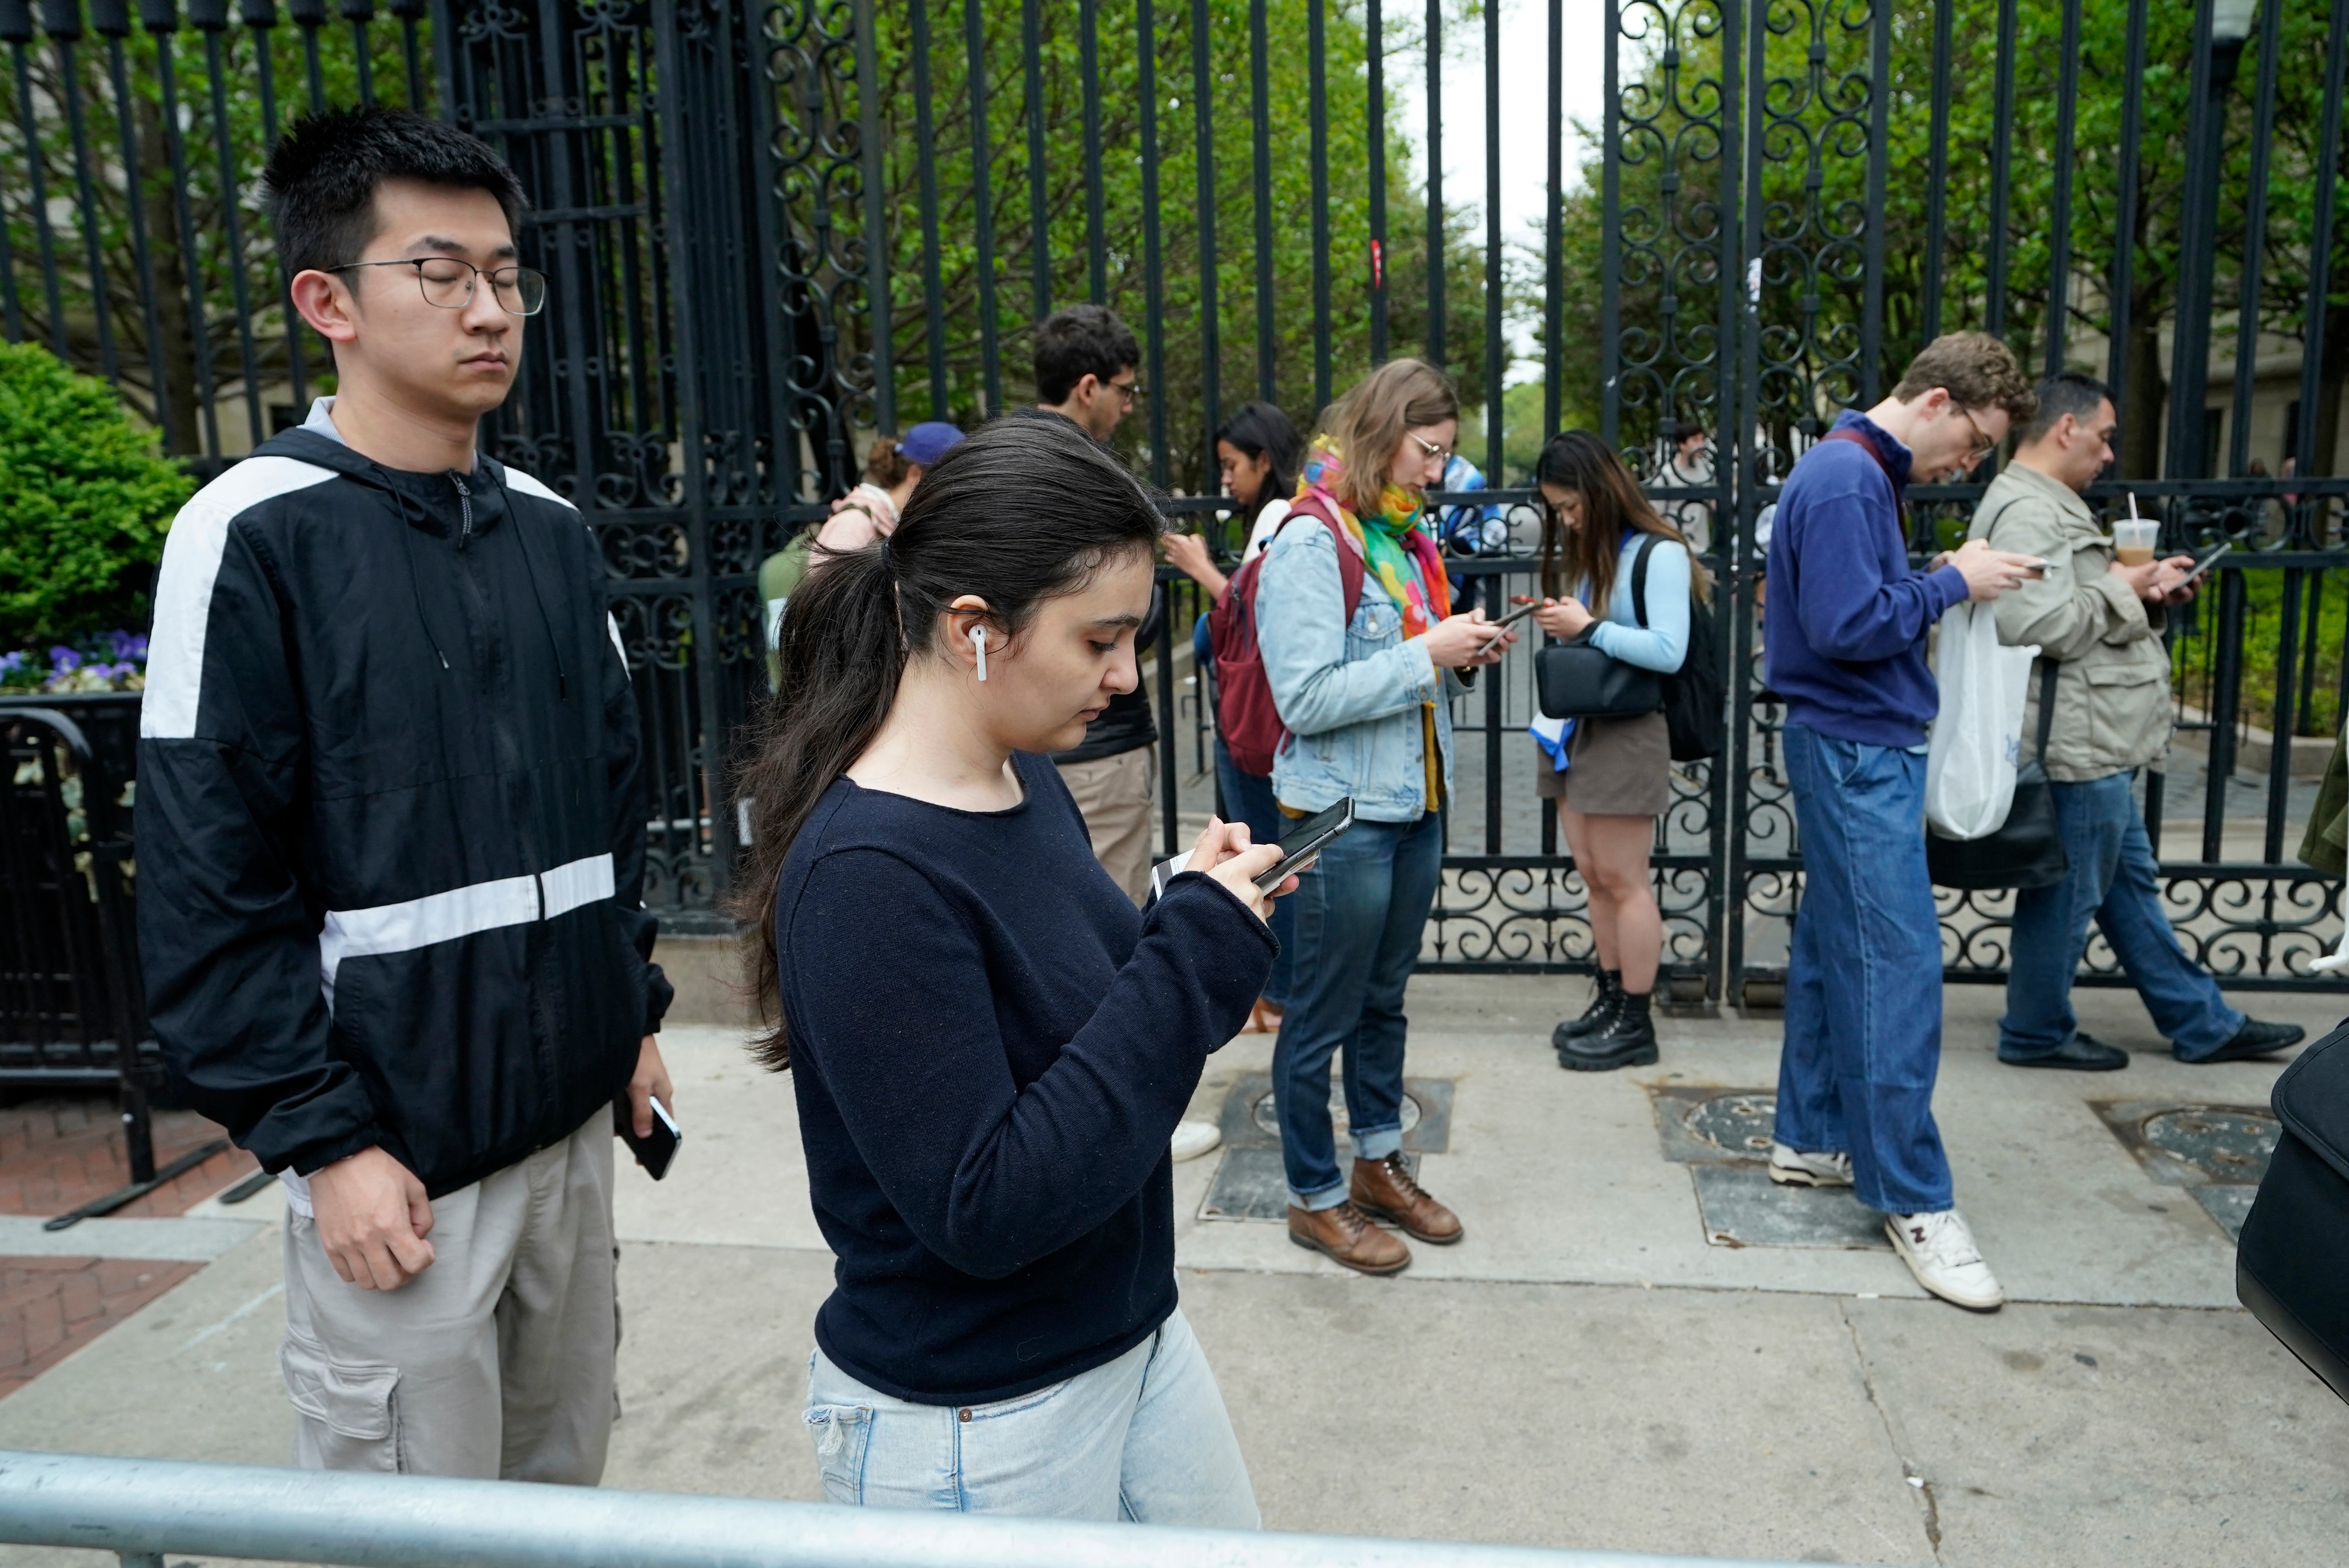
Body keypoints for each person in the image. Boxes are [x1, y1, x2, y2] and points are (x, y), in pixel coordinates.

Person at [136, 107, 673, 1480]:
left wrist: (633, 1017)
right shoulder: (251, 534)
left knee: (563, 1498)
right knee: (413, 1531)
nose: (491, 309)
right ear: (329, 301)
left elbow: (609, 814)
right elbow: (209, 884)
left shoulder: (552, 534)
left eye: (507, 275)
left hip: (567, 1144)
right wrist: (325, 1145)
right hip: (403, 1180)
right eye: (442, 274)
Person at [733, 414, 1283, 1523]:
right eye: (1099, 640)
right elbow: (986, 1200)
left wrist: (1192, 907)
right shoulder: (869, 872)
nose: (1127, 677)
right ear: (974, 627)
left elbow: (1082, 1024)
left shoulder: (1020, 776)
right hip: (975, 1418)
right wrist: (1188, 957)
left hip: (1125, 1337)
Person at [1762, 331, 2043, 1313]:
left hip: (1849, 745)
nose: (1971, 463)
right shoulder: (1847, 478)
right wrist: (1951, 581)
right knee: (1895, 966)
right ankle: (1914, 1199)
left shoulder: (1850, 472)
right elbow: (1850, 628)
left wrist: (1934, 578)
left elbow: (1853, 611)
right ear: (1934, 400)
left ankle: (1809, 1135)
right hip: (1854, 749)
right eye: (1975, 439)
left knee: (1840, 947)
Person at [1254, 358, 1517, 1274]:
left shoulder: (1396, 537)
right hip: (1338, 813)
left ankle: (1376, 1166)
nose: (1439, 472)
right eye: (1430, 450)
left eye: (1446, 454)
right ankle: (1313, 1198)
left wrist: (1460, 651)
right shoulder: (1308, 539)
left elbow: (1408, 660)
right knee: (1319, 1013)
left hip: (1412, 802)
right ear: (1382, 432)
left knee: (1383, 1001)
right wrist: (1423, 654)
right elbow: (1304, 696)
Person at [1969, 373, 2305, 1070]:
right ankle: (2034, 1033)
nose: (2110, 454)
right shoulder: (2030, 512)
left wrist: (2148, 593)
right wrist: (2124, 588)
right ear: (2067, 429)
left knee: (2125, 891)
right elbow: (2031, 624)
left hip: (2095, 737)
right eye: (2105, 435)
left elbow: (2074, 609)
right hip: (2076, 744)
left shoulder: (2048, 506)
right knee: (2066, 896)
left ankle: (2201, 1022)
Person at [1523, 431, 1706, 1072]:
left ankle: (1636, 1019)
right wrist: (1564, 620)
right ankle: (1609, 995)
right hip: (1574, 726)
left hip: (1627, 728)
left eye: (1571, 507)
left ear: (1601, 493)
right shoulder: (1594, 553)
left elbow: (1668, 650)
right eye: (1559, 510)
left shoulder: (1659, 553)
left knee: (1626, 881)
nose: (1567, 520)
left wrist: (1588, 627)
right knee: (1595, 875)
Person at [1166, 400, 1305, 1038]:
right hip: (1255, 713)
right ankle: (1276, 991)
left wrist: (1198, 569)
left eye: (1232, 466)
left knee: (1272, 851)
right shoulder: (1275, 517)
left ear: (1264, 461)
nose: (1226, 479)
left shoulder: (1280, 514)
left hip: (1257, 720)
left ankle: (1278, 992)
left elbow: (1257, 612)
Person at [1019, 305, 1161, 904]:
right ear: (1088, 388)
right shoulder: (1092, 478)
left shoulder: (997, 460)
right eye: (1125, 390)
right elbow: (1130, 619)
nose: (1128, 405)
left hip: (1015, 746)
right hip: (1099, 747)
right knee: (1106, 934)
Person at [761, 422, 964, 684]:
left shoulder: (891, 524)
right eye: (947, 482)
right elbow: (829, 615)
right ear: (916, 476)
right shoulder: (856, 523)